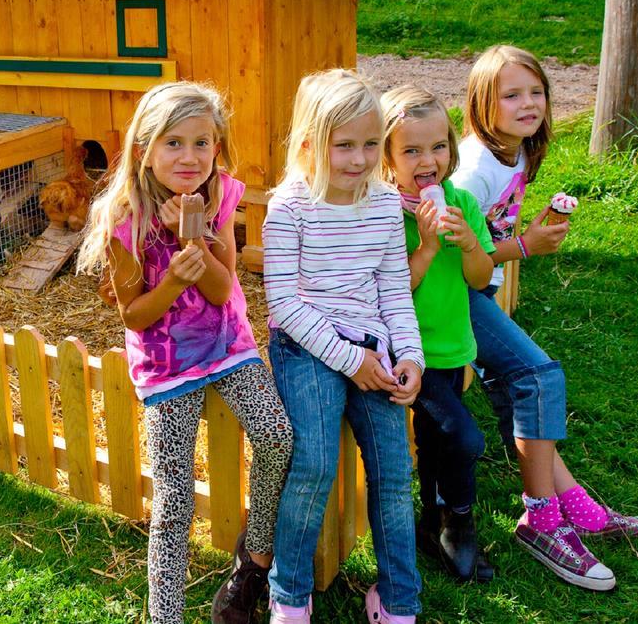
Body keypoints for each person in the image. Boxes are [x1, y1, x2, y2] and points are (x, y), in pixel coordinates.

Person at [76, 81, 294, 623]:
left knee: (276, 435)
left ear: (217, 147)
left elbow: (223, 291)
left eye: (203, 143)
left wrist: (195, 239)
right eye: (174, 143)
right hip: (166, 364)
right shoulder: (122, 222)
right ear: (144, 150)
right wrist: (173, 281)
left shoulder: (220, 195)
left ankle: (255, 556)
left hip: (227, 345)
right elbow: (133, 315)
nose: (190, 157)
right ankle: (164, 615)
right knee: (172, 499)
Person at [452, 45, 638, 591]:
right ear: (481, 104)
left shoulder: (516, 154)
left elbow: (490, 234)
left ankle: (579, 507)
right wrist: (524, 245)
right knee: (540, 376)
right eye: (511, 94)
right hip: (454, 296)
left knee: (520, 387)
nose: (529, 104)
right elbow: (457, 263)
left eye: (536, 92)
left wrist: (522, 235)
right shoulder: (473, 169)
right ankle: (541, 522)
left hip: (479, 291)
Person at [263, 68, 423, 624]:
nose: (359, 160)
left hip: (373, 349)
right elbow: (284, 304)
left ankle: (399, 600)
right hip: (306, 346)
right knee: (313, 461)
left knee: (394, 471)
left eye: (371, 145)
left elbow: (395, 291)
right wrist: (352, 361)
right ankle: (289, 594)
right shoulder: (289, 207)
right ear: (311, 143)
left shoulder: (382, 205)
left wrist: (409, 357)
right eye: (344, 146)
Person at [379, 85, 496, 583]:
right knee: (463, 438)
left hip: (452, 347)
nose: (428, 160)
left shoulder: (462, 203)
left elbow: (479, 277)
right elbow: (389, 287)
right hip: (410, 353)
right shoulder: (384, 211)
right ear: (386, 157)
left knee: (434, 440)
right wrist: (426, 248)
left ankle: (432, 523)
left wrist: (470, 244)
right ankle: (459, 525)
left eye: (438, 147)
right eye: (410, 150)